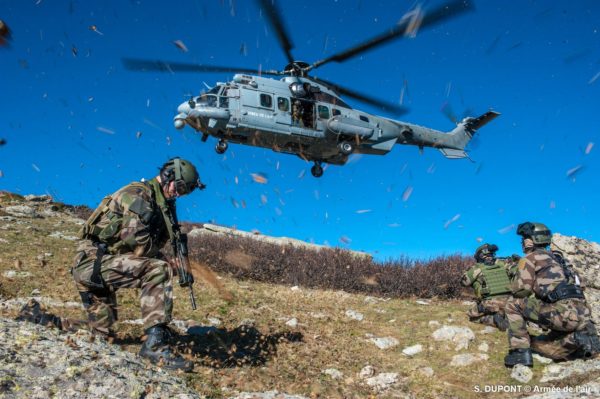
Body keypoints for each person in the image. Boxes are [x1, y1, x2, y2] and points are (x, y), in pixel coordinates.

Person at [70, 157, 204, 371]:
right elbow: (137, 242)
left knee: (102, 335)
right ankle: (155, 345)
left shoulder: (160, 203)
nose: (179, 194)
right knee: (158, 269)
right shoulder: (140, 195)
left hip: (103, 265)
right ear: (168, 176)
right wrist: (168, 262)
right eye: (179, 187)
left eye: (185, 191)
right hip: (92, 264)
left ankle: (42, 319)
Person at [504, 222, 600, 367]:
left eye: (523, 238)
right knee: (544, 345)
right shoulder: (562, 260)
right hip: (584, 314)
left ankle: (520, 353)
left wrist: (511, 284)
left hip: (563, 315)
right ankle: (579, 340)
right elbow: (582, 285)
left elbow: (522, 290)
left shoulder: (529, 259)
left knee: (512, 305)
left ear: (530, 240)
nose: (522, 242)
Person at [461, 243, 513, 331]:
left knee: (471, 315)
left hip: (490, 303)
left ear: (480, 256)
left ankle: (493, 320)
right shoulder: (504, 264)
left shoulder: (477, 268)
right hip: (510, 302)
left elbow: (464, 282)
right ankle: (507, 319)